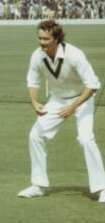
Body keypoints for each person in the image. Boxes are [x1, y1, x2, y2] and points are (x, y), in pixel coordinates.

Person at [18, 20, 105, 202]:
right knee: (35, 135)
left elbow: (93, 84)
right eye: (40, 38)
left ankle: (102, 188)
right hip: (57, 100)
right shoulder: (37, 56)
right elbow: (33, 81)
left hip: (82, 98)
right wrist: (34, 101)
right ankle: (38, 185)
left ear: (56, 38)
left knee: (85, 139)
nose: (42, 42)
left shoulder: (74, 54)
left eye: (46, 39)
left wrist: (73, 106)